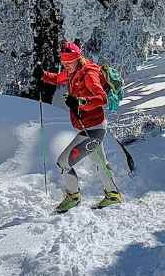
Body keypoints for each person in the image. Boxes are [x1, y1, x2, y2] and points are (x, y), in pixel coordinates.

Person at [40, 41, 123, 213]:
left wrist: (80, 102)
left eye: (68, 63)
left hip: (92, 130)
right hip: (89, 127)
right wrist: (42, 75)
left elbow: (102, 98)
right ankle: (113, 195)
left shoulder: (88, 73)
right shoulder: (72, 71)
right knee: (100, 162)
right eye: (63, 63)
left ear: (78, 58)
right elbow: (58, 78)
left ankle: (73, 197)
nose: (66, 66)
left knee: (63, 162)